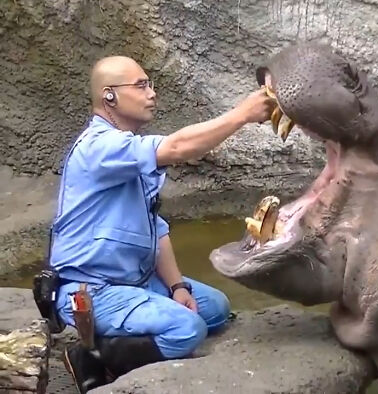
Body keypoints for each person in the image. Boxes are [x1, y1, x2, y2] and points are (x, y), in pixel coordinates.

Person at [49, 55, 275, 393]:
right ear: (109, 95)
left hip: (134, 282)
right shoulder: (99, 146)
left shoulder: (126, 150)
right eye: (141, 85)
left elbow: (157, 228)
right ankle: (94, 356)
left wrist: (176, 288)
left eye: (150, 83)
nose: (152, 92)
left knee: (215, 309)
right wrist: (242, 114)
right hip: (92, 289)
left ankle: (134, 324)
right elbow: (178, 146)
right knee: (187, 329)